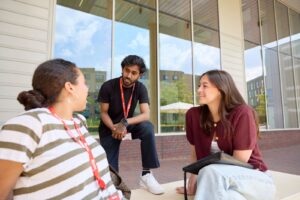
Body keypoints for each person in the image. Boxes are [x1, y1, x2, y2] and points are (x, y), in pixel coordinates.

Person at [0, 59, 125, 200]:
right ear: (70, 87)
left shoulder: (78, 122)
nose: (87, 88)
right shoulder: (29, 124)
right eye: (84, 83)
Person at [176, 70, 276, 200]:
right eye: (199, 86)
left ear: (221, 89)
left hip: (254, 180)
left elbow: (239, 162)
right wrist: (193, 179)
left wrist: (203, 178)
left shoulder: (242, 112)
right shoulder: (194, 115)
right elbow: (195, 153)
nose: (199, 90)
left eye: (205, 86)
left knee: (209, 171)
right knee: (229, 197)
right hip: (217, 181)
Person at [97, 55, 164, 195]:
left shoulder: (140, 88)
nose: (128, 75)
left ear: (140, 75)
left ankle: (146, 175)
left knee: (147, 127)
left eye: (134, 73)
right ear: (122, 69)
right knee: (111, 171)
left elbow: (146, 114)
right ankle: (113, 189)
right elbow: (103, 113)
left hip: (126, 125)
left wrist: (124, 123)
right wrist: (114, 128)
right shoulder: (108, 86)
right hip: (109, 127)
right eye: (126, 70)